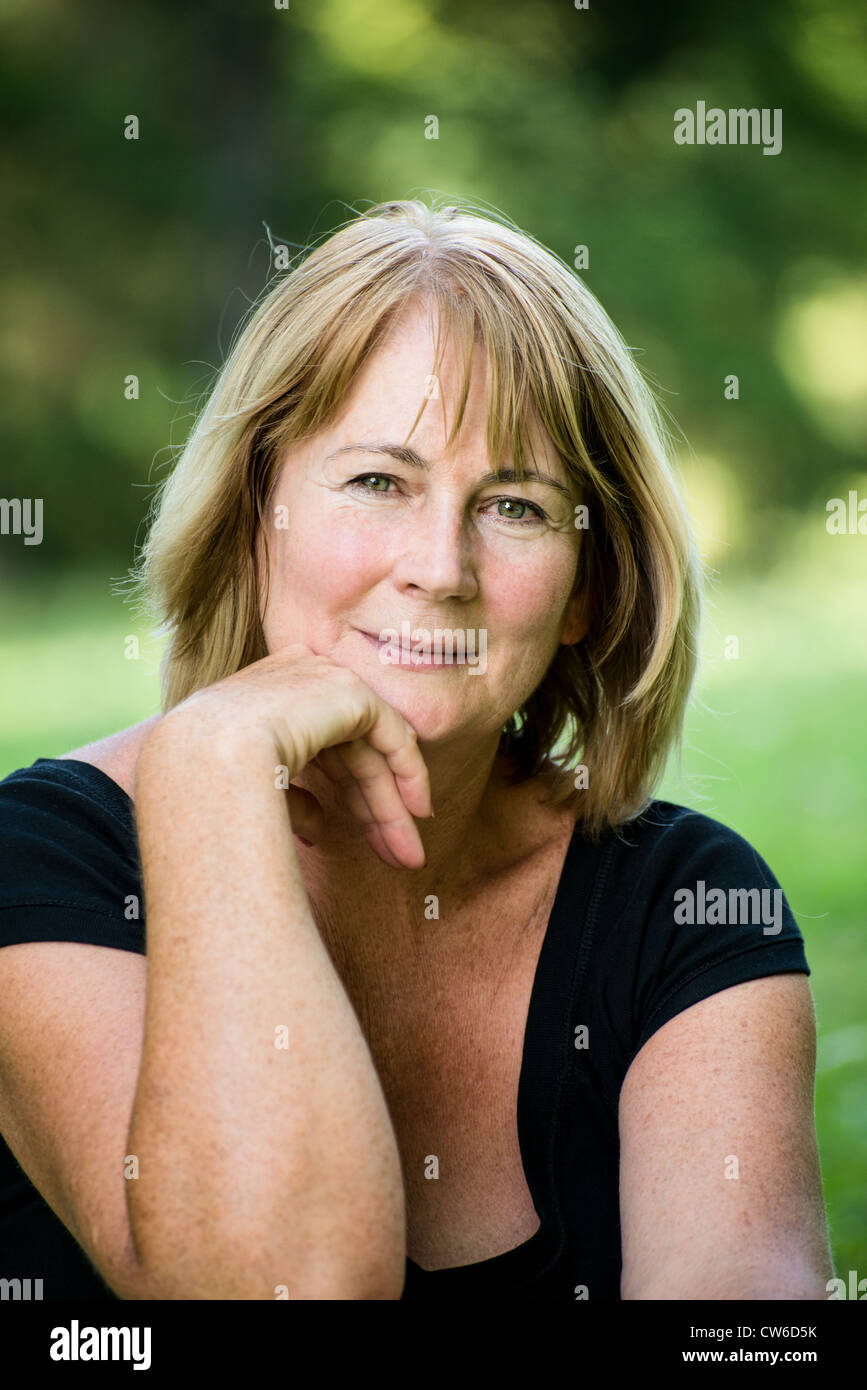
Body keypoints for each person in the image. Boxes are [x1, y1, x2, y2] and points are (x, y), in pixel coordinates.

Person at [0, 198, 833, 1301]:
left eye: (516, 506)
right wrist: (208, 770)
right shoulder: (40, 860)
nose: (440, 568)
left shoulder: (688, 904)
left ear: (588, 590)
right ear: (253, 520)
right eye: (378, 482)